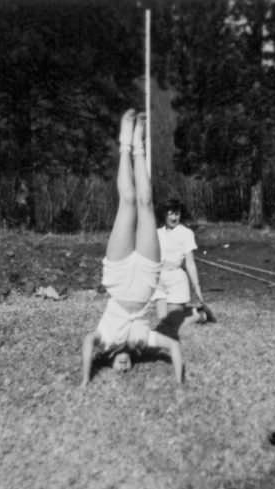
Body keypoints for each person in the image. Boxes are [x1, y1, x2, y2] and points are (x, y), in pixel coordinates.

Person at [80, 110, 183, 386]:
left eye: (117, 368)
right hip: (145, 281)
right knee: (146, 205)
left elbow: (88, 341)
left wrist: (85, 379)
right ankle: (139, 144)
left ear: (110, 361)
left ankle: (125, 143)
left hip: (118, 278)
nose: (123, 368)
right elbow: (173, 347)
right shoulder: (143, 342)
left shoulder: (105, 341)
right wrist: (179, 382)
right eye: (127, 369)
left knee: (127, 203)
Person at [152, 198, 215, 328]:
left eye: (177, 214)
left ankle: (201, 316)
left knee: (173, 323)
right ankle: (194, 313)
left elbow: (190, 263)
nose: (174, 217)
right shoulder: (157, 233)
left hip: (176, 281)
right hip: (159, 281)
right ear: (164, 214)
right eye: (170, 213)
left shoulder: (186, 233)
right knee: (163, 320)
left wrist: (196, 287)